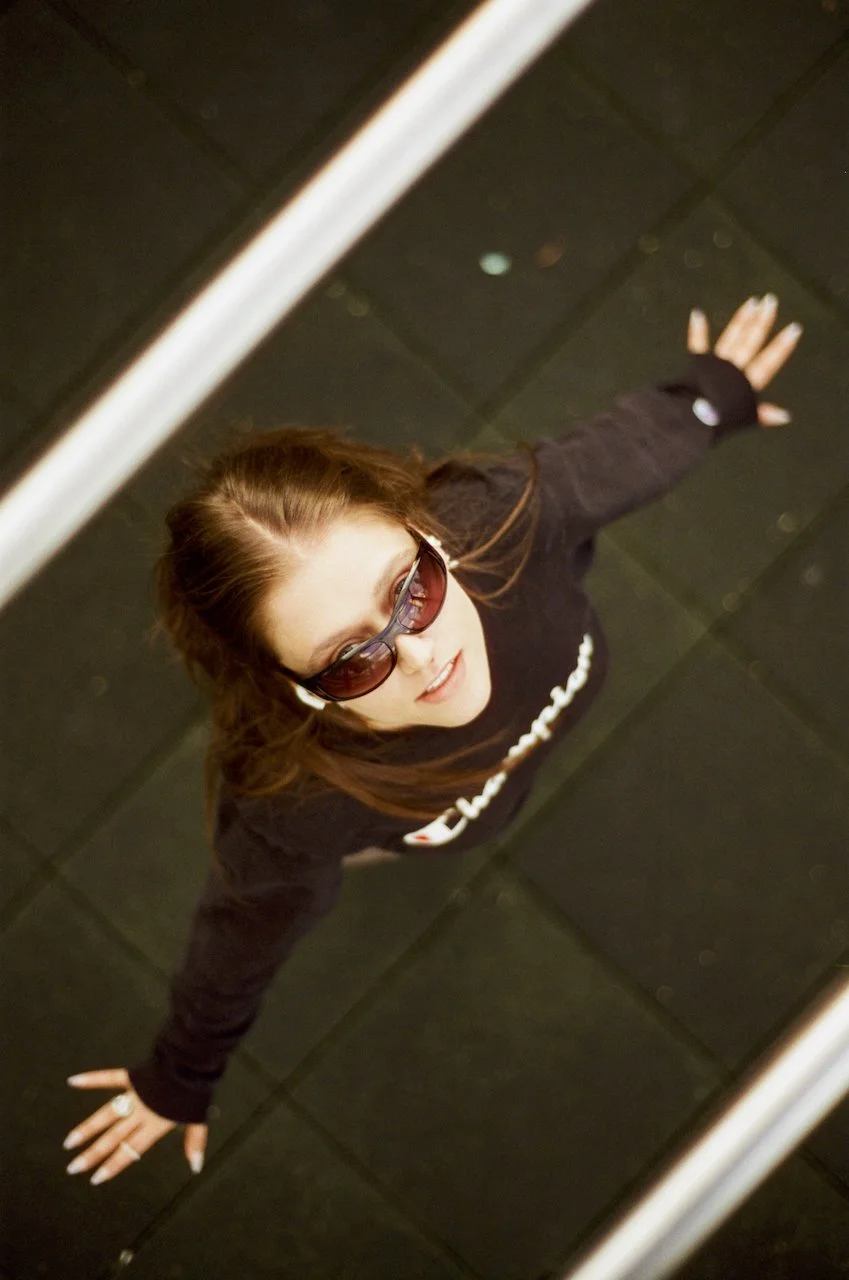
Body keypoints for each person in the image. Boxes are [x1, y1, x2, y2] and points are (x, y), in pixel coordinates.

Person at [61, 295, 802, 1186]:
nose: (421, 653)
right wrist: (179, 1076)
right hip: (391, 820)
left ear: (426, 538)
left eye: (406, 587)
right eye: (350, 659)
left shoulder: (496, 519)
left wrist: (709, 401)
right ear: (301, 688)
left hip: (489, 773)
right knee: (342, 857)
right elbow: (237, 940)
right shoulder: (296, 809)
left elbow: (624, 453)